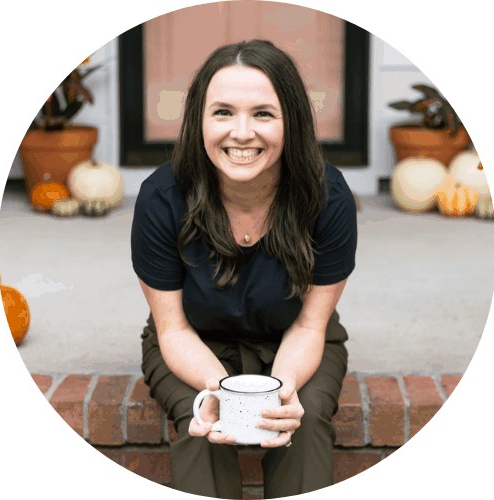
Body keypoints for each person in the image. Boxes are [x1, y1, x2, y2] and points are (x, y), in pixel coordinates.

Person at [131, 39, 357, 499]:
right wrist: (224, 392)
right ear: (199, 119)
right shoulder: (161, 197)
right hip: (191, 340)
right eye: (222, 112)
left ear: (290, 120)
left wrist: (284, 388)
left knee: (303, 420)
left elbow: (312, 324)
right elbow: (171, 329)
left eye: (263, 114)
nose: (241, 132)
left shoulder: (327, 195)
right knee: (204, 426)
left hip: (296, 336)